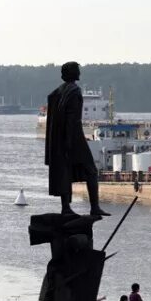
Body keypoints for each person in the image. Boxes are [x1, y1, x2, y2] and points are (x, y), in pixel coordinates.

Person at [45, 61, 110, 217]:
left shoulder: (56, 93)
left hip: (58, 141)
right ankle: (94, 207)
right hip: (74, 138)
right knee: (91, 171)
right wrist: (69, 142)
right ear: (72, 73)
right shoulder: (74, 91)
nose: (80, 72)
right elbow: (72, 119)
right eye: (77, 70)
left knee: (64, 172)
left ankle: (65, 208)